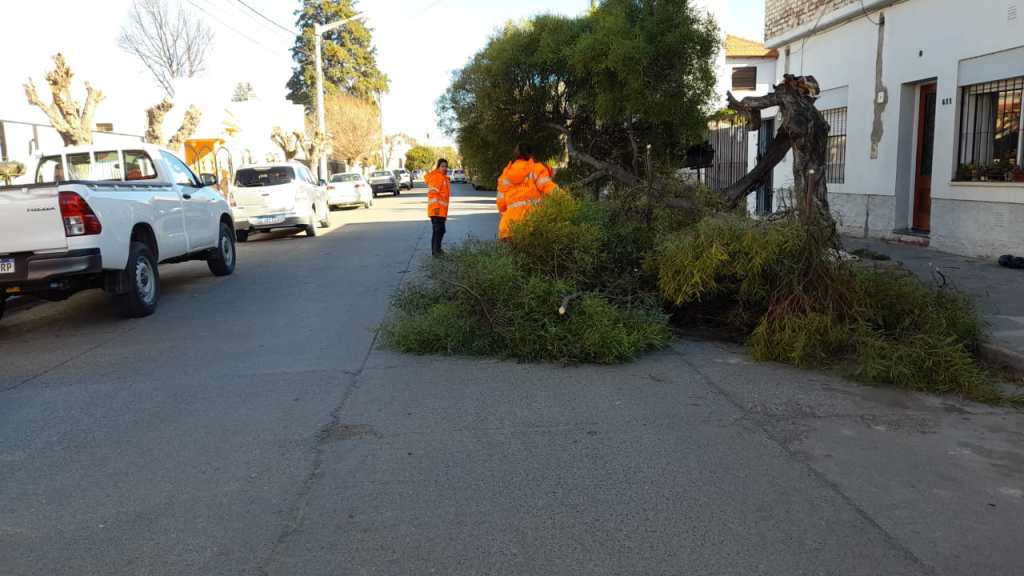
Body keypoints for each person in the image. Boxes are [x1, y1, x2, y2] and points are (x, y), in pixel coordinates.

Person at [496, 144, 557, 240]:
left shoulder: (505, 175)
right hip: (534, 224)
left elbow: (501, 204)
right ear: (531, 155)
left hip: (509, 228)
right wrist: (569, 203)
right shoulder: (536, 169)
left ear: (515, 156)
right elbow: (551, 190)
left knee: (513, 255)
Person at [424, 158, 451, 257]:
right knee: (438, 230)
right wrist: (436, 209)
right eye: (442, 166)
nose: (444, 168)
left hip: (441, 210)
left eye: (446, 166)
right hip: (436, 210)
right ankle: (436, 252)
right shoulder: (437, 177)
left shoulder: (443, 177)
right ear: (438, 167)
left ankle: (437, 250)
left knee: (440, 230)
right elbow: (433, 194)